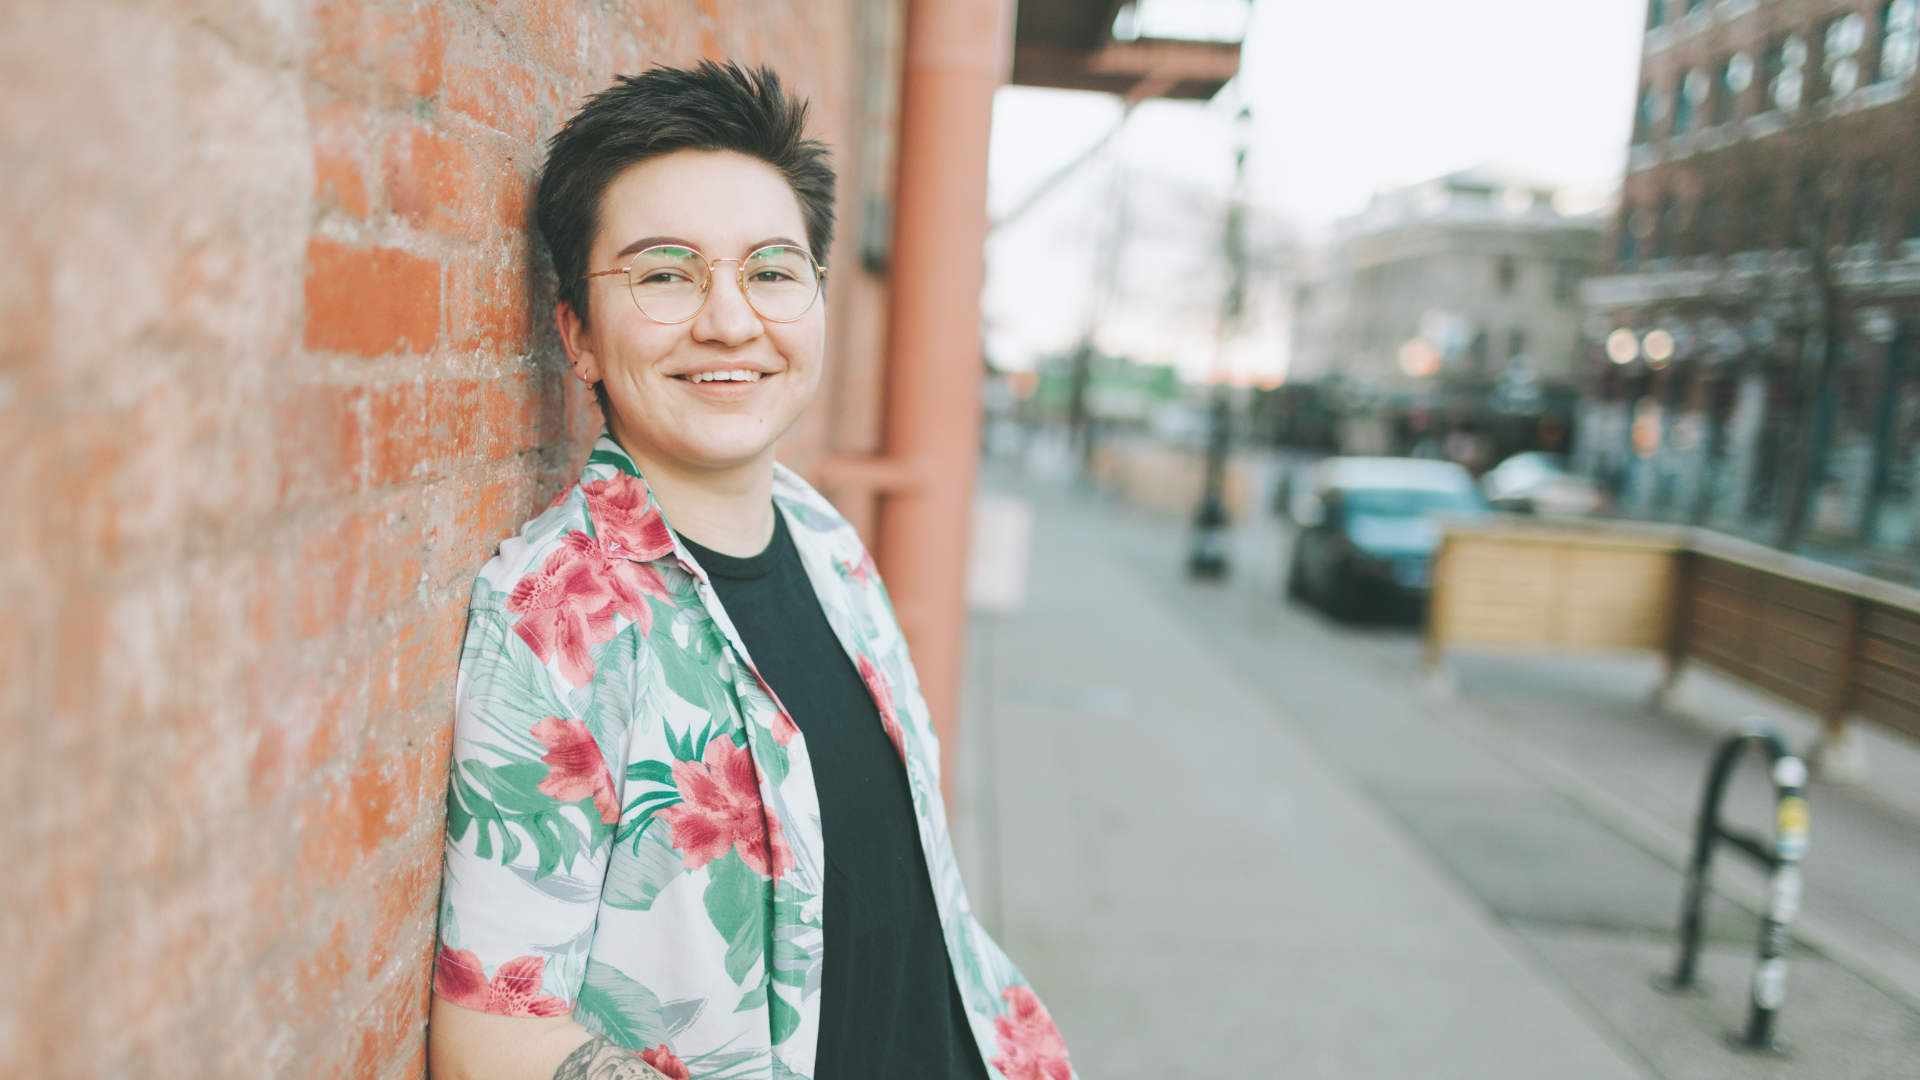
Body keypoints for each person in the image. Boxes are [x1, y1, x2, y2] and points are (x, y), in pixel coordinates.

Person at [426, 63, 1075, 1080]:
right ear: (578, 335)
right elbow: (493, 1039)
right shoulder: (558, 622)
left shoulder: (824, 538)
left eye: (771, 272)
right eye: (665, 275)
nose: (731, 321)